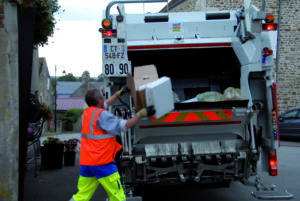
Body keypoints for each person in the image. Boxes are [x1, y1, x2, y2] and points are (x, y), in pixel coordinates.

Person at [69, 87, 155, 201]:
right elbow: (125, 125)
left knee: (81, 196)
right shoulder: (103, 115)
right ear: (99, 100)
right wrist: (141, 114)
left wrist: (118, 95)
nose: (103, 99)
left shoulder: (87, 112)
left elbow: (104, 104)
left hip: (87, 163)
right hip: (103, 163)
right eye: (102, 97)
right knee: (117, 196)